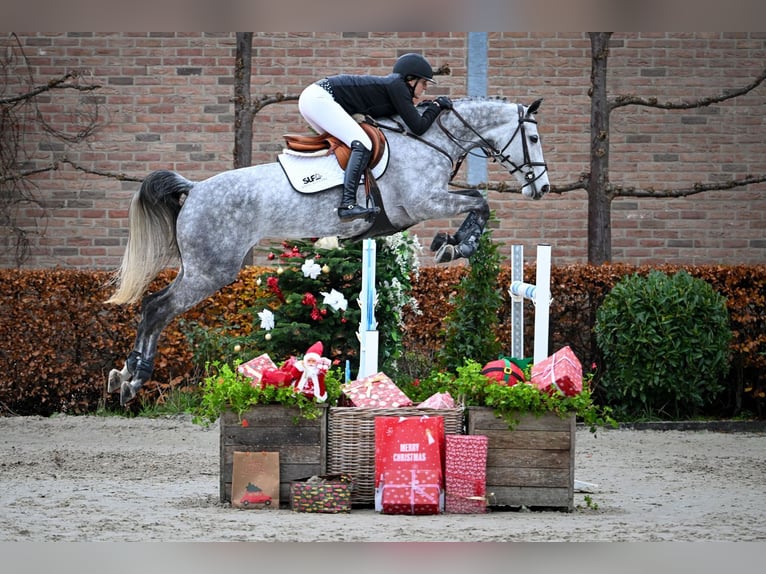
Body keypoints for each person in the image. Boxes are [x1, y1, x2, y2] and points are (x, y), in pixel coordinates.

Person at [298, 53, 453, 222]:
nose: (425, 88)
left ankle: (328, 198)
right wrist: (437, 105)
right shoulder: (398, 87)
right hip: (320, 99)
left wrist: (429, 106)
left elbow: (408, 117)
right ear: (410, 79)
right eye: (423, 83)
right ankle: (347, 205)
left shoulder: (395, 87)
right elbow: (418, 127)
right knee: (362, 143)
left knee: (345, 148)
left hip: (314, 98)